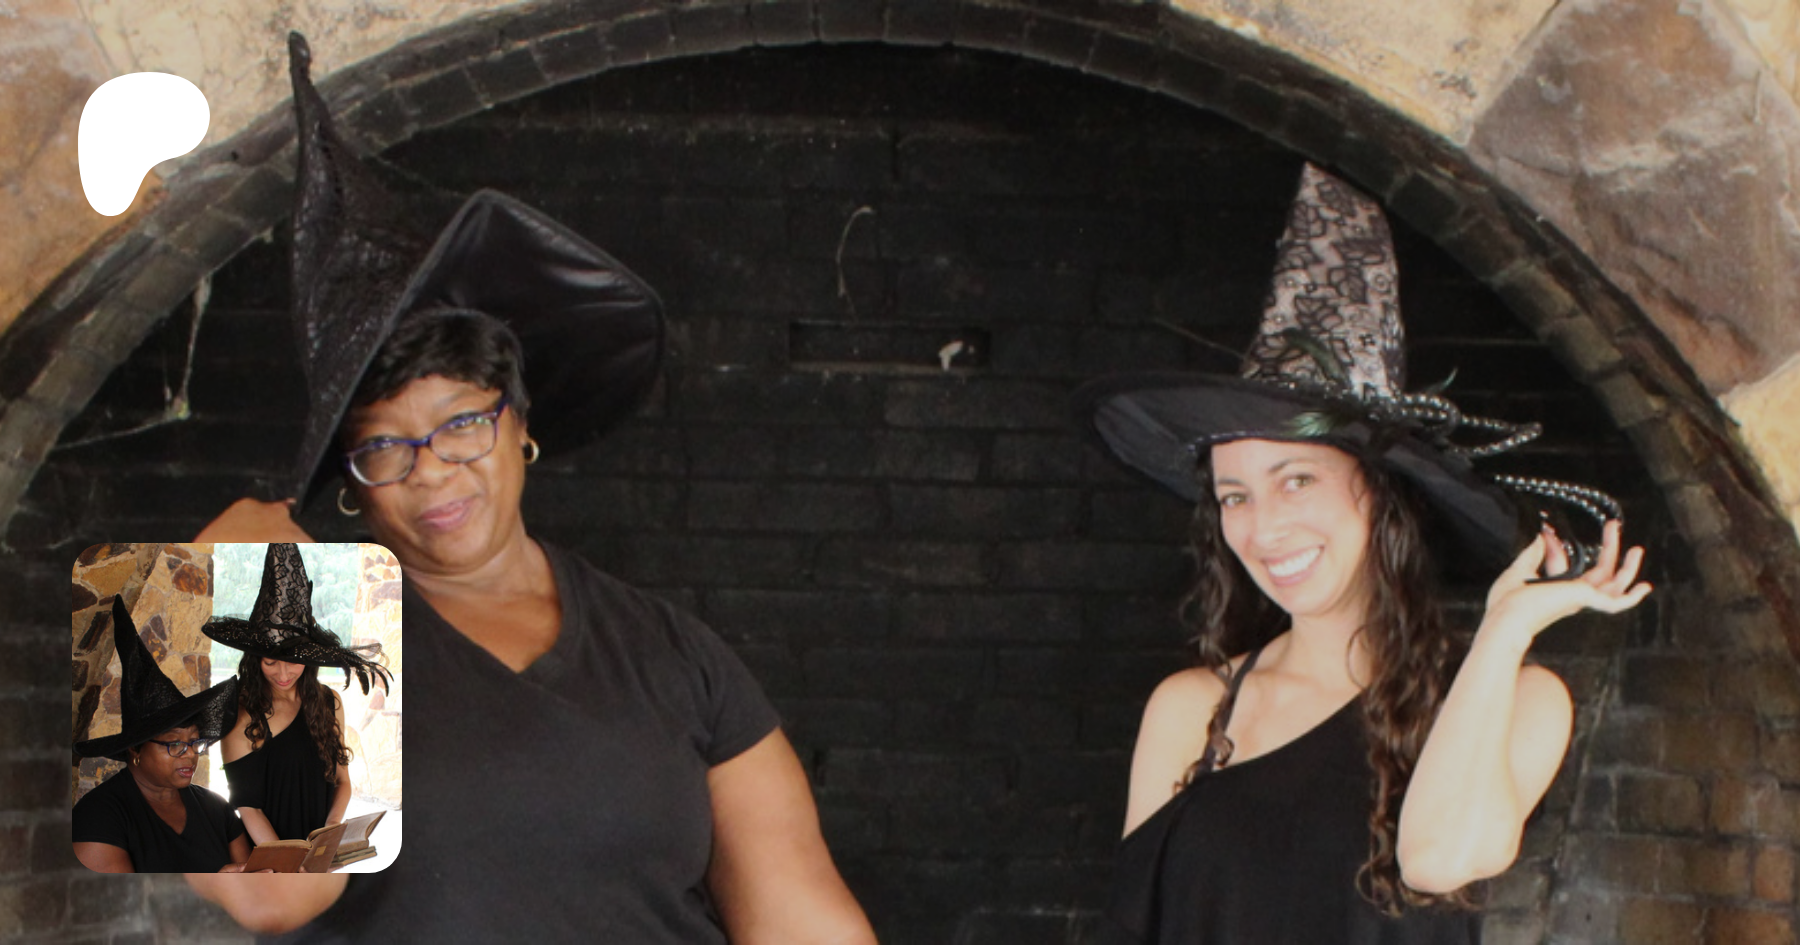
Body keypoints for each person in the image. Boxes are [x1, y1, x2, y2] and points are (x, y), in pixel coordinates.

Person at [185, 32, 875, 944]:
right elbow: (269, 890)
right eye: (384, 445)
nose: (432, 466)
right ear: (352, 481)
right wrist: (217, 572)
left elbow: (801, 916)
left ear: (518, 424)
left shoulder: (674, 654)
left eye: (461, 423)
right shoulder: (314, 629)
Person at [1077, 164, 1651, 942]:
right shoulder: (1191, 709)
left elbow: (1437, 858)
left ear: (1382, 494)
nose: (1262, 526)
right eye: (1234, 495)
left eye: (1297, 480)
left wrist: (1505, 627)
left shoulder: (1520, 697)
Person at [207, 543, 389, 844]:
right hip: (269, 854)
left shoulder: (329, 702)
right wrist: (286, 860)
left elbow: (342, 781)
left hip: (319, 852)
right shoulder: (242, 715)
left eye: (293, 661)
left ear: (309, 658)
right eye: (270, 662)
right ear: (255, 659)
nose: (282, 673)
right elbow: (248, 807)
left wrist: (329, 831)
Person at [72, 597, 252, 874]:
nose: (190, 754)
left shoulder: (215, 809)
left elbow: (253, 883)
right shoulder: (99, 815)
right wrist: (213, 887)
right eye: (175, 744)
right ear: (135, 750)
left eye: (195, 742)